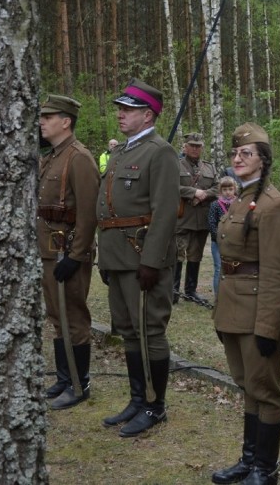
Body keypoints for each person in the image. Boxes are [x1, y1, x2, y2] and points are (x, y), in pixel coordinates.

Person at [96, 79, 179, 437]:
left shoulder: (159, 151)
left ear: (148, 114)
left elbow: (164, 211)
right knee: (129, 330)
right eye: (120, 109)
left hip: (140, 256)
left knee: (149, 330)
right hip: (117, 256)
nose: (120, 114)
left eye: (127, 109)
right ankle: (136, 398)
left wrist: (152, 260)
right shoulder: (121, 152)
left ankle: (154, 405)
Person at [211, 123, 280, 485]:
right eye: (235, 153)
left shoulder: (273, 206)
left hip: (258, 312)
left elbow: (276, 273)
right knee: (247, 385)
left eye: (247, 153)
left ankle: (265, 469)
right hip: (234, 308)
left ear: (263, 160)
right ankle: (248, 461)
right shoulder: (241, 198)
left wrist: (268, 326)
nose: (238, 158)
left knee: (265, 391)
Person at [37, 95, 100, 409]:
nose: (42, 121)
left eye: (49, 117)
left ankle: (79, 383)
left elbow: (89, 214)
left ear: (66, 121)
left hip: (67, 253)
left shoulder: (79, 158)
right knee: (57, 316)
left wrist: (76, 256)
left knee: (73, 316)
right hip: (49, 252)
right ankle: (65, 377)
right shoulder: (51, 157)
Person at [176, 132, 218, 302]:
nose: (195, 148)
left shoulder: (209, 167)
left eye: (198, 146)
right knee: (177, 254)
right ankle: (173, 291)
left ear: (202, 148)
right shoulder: (175, 165)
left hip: (201, 219)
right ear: (185, 147)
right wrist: (193, 192)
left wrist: (204, 194)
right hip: (181, 218)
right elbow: (169, 186)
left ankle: (190, 291)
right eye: (192, 145)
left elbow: (218, 188)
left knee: (196, 255)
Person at [207, 176, 237, 297]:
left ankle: (232, 295)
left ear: (235, 189)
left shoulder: (239, 204)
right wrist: (219, 238)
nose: (228, 192)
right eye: (225, 189)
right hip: (218, 243)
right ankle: (218, 297)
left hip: (235, 242)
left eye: (230, 189)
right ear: (220, 190)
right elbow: (211, 223)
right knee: (219, 268)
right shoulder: (215, 205)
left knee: (234, 269)